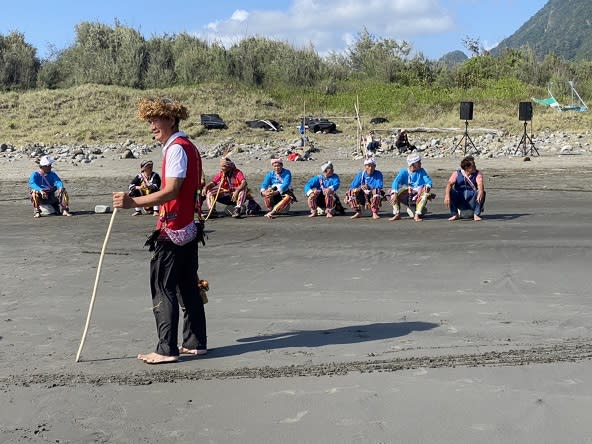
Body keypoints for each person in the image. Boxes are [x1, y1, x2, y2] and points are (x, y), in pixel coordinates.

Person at [112, 97, 207, 365]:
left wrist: (134, 202)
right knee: (187, 286)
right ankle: (195, 342)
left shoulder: (176, 148)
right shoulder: (188, 146)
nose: (152, 126)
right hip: (189, 226)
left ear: (171, 120)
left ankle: (166, 349)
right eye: (150, 121)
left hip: (174, 227)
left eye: (155, 120)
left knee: (163, 288)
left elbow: (172, 190)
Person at [389, 153, 434, 222]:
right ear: (412, 164)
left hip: (418, 194)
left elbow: (428, 181)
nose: (420, 163)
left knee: (425, 194)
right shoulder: (404, 172)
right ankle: (397, 214)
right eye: (418, 162)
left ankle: (417, 215)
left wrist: (427, 187)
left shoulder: (421, 171)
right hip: (408, 194)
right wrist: (395, 193)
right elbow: (396, 182)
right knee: (392, 193)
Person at [444, 155, 486, 221]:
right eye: (473, 166)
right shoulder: (457, 173)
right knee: (450, 191)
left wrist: (481, 191)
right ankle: (455, 214)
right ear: (467, 168)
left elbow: (480, 184)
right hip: (460, 201)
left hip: (472, 201)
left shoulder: (478, 174)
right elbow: (449, 184)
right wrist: (447, 196)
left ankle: (476, 214)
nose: (475, 167)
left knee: (481, 192)